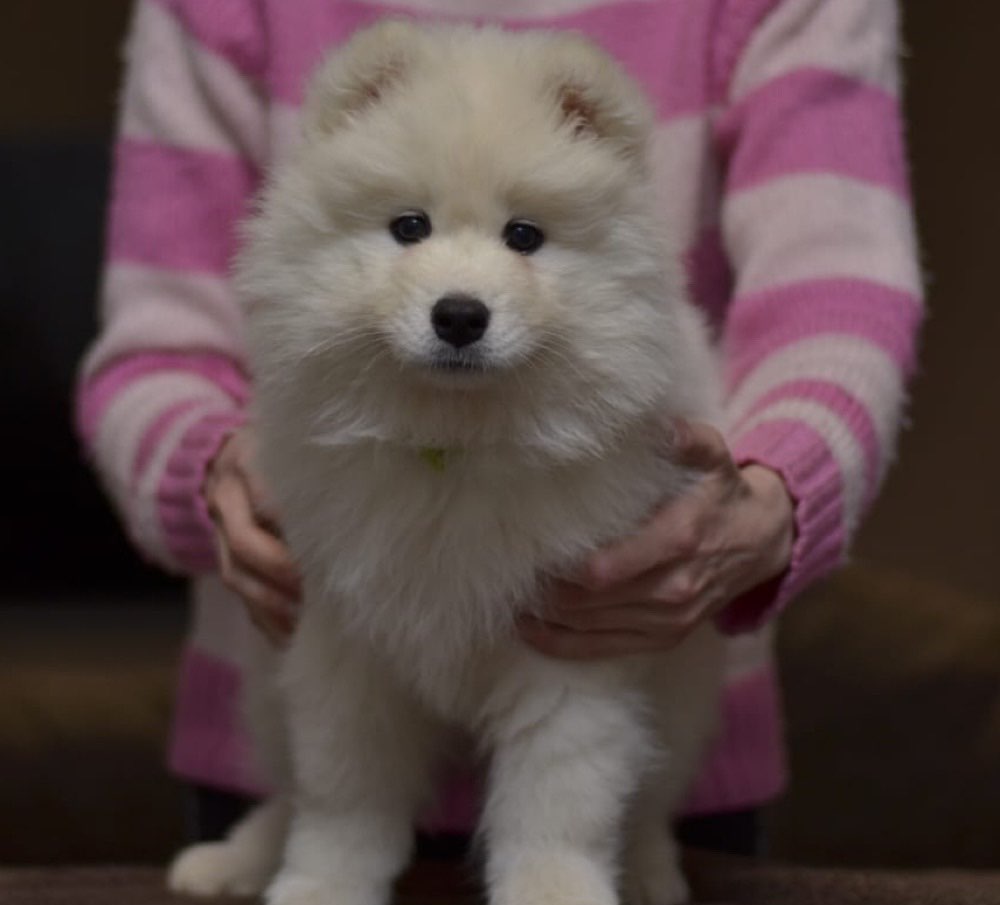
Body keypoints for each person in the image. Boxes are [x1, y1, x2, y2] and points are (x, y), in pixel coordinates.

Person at [76, 0, 922, 858]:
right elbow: (156, 345)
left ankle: (602, 844)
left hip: (650, 766)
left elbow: (840, 290)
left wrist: (774, 491)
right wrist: (213, 469)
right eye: (409, 229)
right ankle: (315, 823)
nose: (461, 289)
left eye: (523, 236)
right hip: (293, 765)